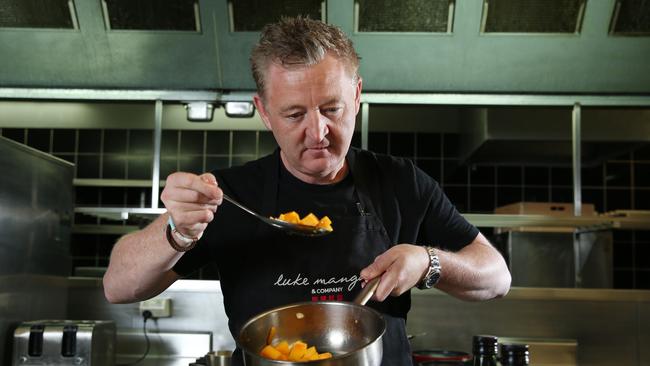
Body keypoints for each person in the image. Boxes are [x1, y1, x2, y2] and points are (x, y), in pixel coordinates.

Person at [103, 17, 511, 366]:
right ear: (264, 112)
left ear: (356, 96)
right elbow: (118, 286)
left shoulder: (400, 181)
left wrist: (428, 261)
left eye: (332, 109)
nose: (317, 133)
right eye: (294, 114)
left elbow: (496, 277)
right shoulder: (228, 195)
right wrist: (178, 231)